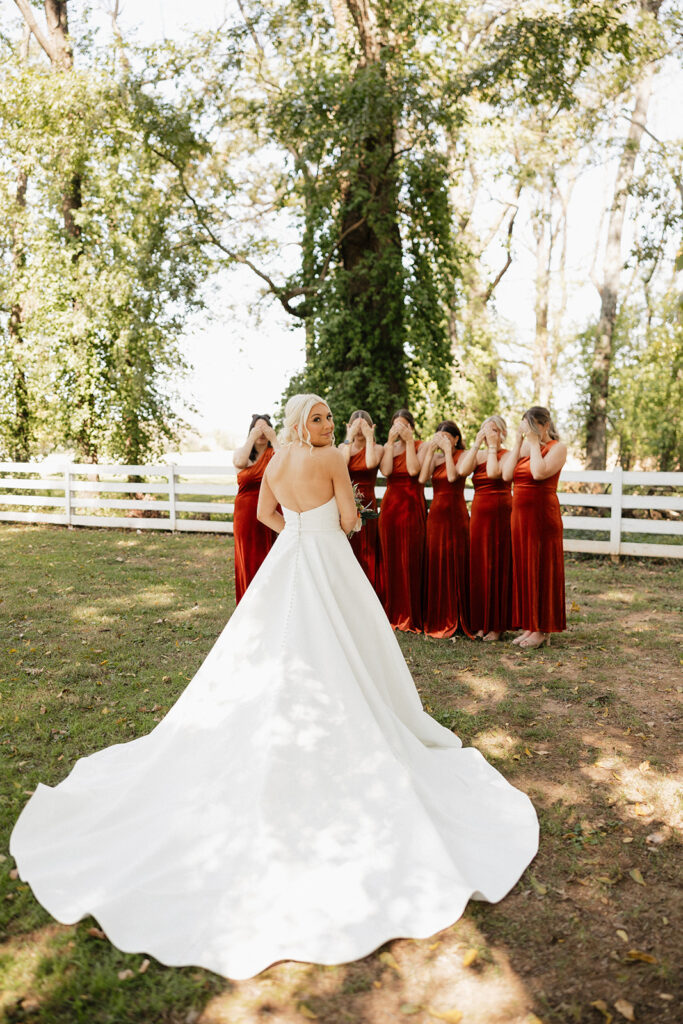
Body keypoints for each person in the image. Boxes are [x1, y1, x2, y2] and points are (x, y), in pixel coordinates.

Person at [10, 394, 538, 981]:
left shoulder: (279, 461)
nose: (329, 425)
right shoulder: (333, 459)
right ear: (300, 423)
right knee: (343, 646)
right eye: (320, 418)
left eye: (329, 419)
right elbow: (349, 521)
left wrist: (296, 533)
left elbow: (265, 515)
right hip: (327, 560)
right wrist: (328, 527)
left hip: (288, 557)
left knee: (273, 647)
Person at [501, 406, 567, 649]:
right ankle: (529, 624)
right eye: (524, 426)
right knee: (524, 567)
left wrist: (535, 443)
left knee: (541, 568)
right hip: (520, 516)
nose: (528, 431)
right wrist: (518, 442)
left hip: (543, 516)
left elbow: (539, 473)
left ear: (544, 426)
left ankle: (542, 629)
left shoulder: (557, 448)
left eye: (532, 426)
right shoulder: (525, 447)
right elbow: (506, 475)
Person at [458, 415, 512, 642]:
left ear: (502, 433)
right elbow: (462, 471)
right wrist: (477, 444)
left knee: (497, 563)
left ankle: (497, 625)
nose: (489, 434)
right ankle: (480, 622)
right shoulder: (478, 453)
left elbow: (494, 472)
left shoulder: (507, 455)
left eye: (493, 430)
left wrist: (491, 447)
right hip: (479, 511)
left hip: (501, 511)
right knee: (479, 563)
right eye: (485, 430)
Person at [419, 421, 472, 638]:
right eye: (438, 435)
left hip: (456, 512)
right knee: (437, 560)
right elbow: (422, 478)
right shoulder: (436, 458)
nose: (441, 439)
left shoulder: (463, 455)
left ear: (456, 438)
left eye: (446, 436)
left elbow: (452, 476)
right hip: (437, 514)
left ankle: (458, 616)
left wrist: (449, 451)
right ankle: (439, 616)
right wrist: (432, 451)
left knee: (456, 560)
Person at [378, 409, 426, 632]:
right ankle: (392, 612)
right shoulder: (389, 447)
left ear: (411, 427)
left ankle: (410, 614)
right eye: (395, 425)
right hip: (390, 506)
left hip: (411, 504)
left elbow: (414, 469)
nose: (399, 429)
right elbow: (387, 470)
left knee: (411, 556)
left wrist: (408, 442)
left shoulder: (420, 446)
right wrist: (390, 442)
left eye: (403, 425)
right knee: (392, 557)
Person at [232, 414, 279, 603]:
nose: (261, 432)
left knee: (271, 556)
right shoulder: (242, 453)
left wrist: (274, 438)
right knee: (248, 555)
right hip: (246, 513)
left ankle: (270, 601)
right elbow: (239, 463)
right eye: (257, 429)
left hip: (272, 511)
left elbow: (287, 462)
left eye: (265, 428)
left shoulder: (275, 453)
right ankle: (248, 601)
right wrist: (251, 438)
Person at [342, 410, 384, 591]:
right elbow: (341, 466)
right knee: (347, 550)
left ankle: (369, 591)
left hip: (368, 502)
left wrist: (368, 437)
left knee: (368, 550)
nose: (359, 429)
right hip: (345, 503)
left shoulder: (377, 448)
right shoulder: (342, 449)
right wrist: (348, 438)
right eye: (355, 425)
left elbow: (369, 464)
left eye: (363, 425)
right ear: (349, 426)